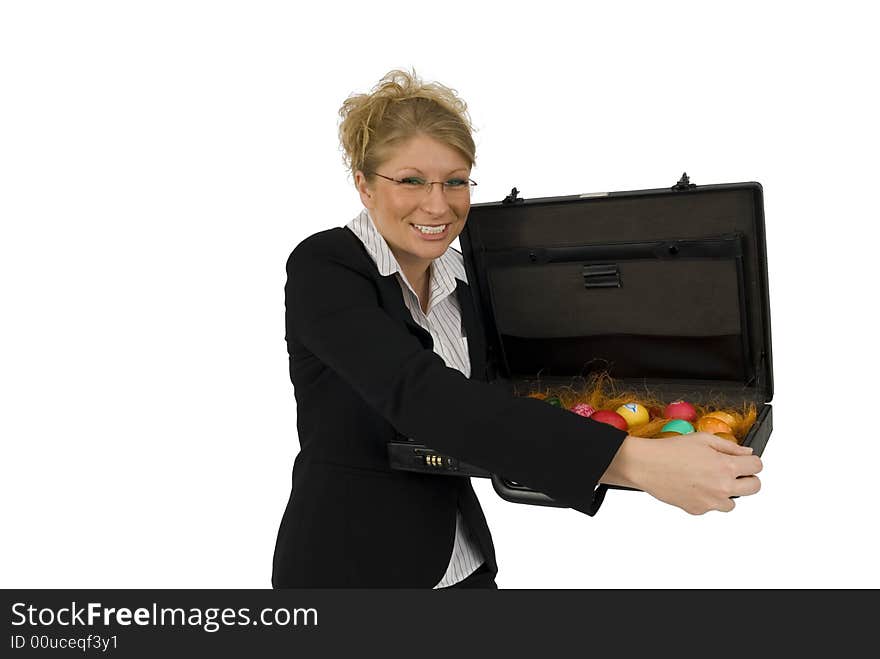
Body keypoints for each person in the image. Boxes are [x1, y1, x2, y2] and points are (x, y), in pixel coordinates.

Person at [271, 68, 763, 589]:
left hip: (460, 564)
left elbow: (517, 393)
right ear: (365, 186)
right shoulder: (324, 268)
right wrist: (637, 462)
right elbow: (423, 399)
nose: (438, 204)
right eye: (411, 180)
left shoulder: (467, 278)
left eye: (455, 181)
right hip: (349, 570)